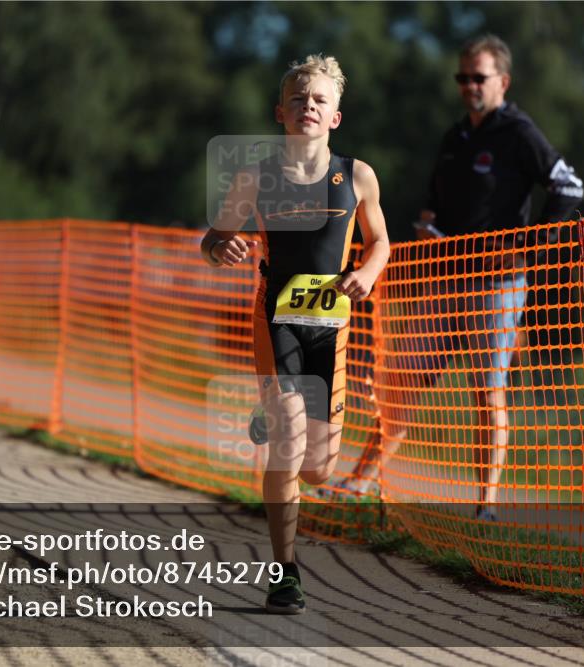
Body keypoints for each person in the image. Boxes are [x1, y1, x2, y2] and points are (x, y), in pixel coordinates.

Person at [342, 35, 584, 522]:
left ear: (503, 81)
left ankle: (486, 506)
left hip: (497, 286)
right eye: (463, 77)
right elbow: (434, 201)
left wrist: (525, 246)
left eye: (479, 77)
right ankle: (358, 483)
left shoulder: (519, 133)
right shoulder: (456, 137)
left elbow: (569, 188)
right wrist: (429, 229)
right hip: (443, 281)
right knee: (400, 384)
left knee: (487, 392)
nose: (469, 86)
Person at [200, 54, 390, 614]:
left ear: (335, 117)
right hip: (275, 319)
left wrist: (367, 272)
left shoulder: (357, 176)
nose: (309, 106)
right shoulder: (256, 176)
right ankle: (285, 573)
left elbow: (379, 241)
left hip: (331, 330)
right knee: (287, 439)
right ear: (280, 111)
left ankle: (272, 418)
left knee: (319, 466)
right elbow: (213, 239)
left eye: (320, 100)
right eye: (299, 99)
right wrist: (220, 247)